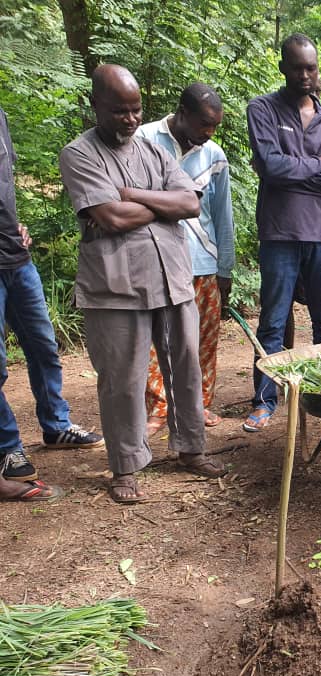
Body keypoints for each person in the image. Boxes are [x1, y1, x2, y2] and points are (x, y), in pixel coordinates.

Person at [59, 64, 224, 503]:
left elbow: (189, 203)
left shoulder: (153, 151)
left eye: (136, 110)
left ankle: (191, 448)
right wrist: (160, 205)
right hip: (116, 286)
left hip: (171, 277)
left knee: (186, 366)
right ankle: (126, 467)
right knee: (123, 378)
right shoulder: (79, 154)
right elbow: (110, 217)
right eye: (120, 111)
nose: (130, 119)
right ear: (96, 105)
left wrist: (132, 195)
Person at [245, 33, 321, 432]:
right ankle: (264, 401)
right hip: (279, 235)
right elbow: (269, 166)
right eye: (297, 67)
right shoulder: (263, 109)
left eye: (311, 67)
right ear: (283, 68)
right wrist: (318, 164)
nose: (305, 75)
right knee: (273, 321)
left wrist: (291, 172)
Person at [0, 107, 103, 502]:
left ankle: (56, 425)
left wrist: (13, 225)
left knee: (43, 346)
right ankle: (8, 448)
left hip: (16, 257)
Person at [137, 83, 234, 435]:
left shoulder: (215, 155)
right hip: (157, 260)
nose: (209, 133)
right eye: (204, 124)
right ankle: (160, 407)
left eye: (215, 127)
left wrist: (225, 268)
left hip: (202, 262)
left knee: (203, 340)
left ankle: (199, 404)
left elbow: (223, 215)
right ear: (182, 113)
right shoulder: (143, 140)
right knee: (156, 341)